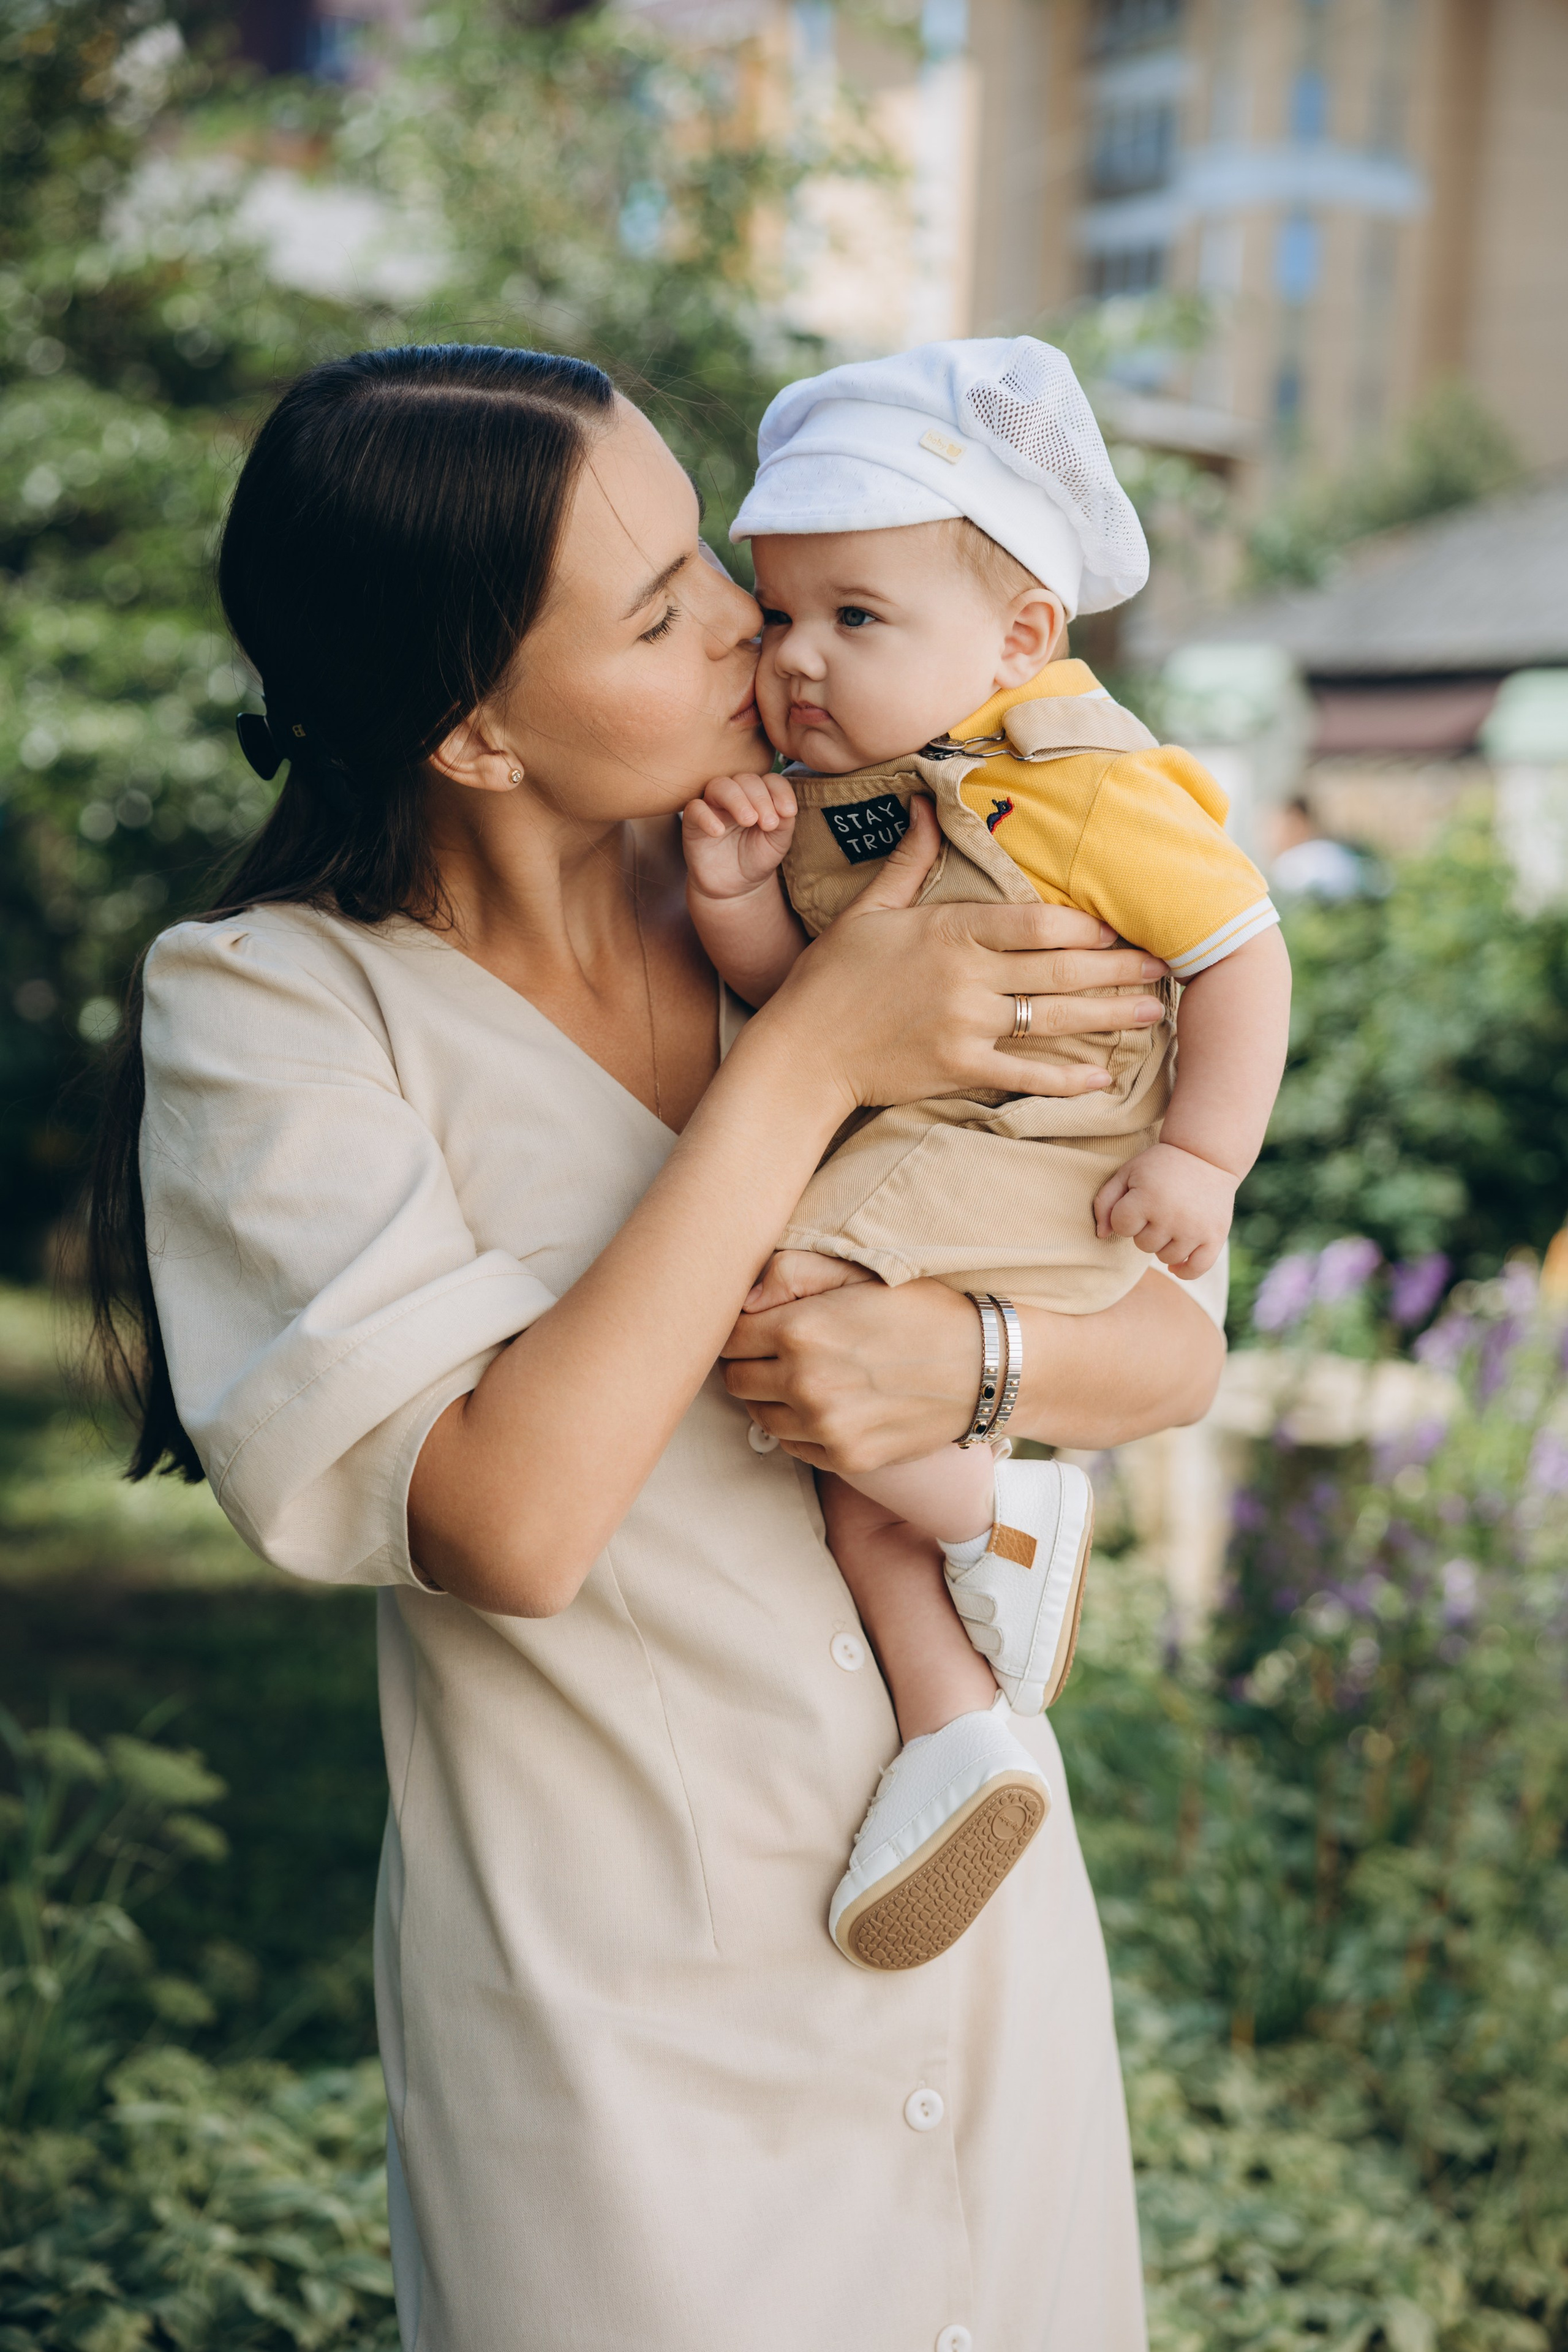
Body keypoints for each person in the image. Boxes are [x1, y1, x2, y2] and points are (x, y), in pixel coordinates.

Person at [89, 342, 1227, 2352]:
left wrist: (961, 1363)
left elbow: (1169, 1343)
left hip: (978, 1947)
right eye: (661, 607)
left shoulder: (861, 854)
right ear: (479, 735)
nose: (752, 626)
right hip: (626, 2049)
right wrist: (809, 1063)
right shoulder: (275, 1010)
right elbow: (506, 1521)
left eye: (716, 554)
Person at [684, 337, 1291, 1969]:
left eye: (857, 619)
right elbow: (810, 1011)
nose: (799, 662)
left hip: (1042, 1156)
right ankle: (958, 1738)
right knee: (850, 1484)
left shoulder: (1070, 789)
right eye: (779, 616)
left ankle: (1006, 1523)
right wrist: (741, 896)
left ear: (1022, 634)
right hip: (938, 1154)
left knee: (771, 1288)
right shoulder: (846, 791)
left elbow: (1241, 944)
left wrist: (1209, 1162)